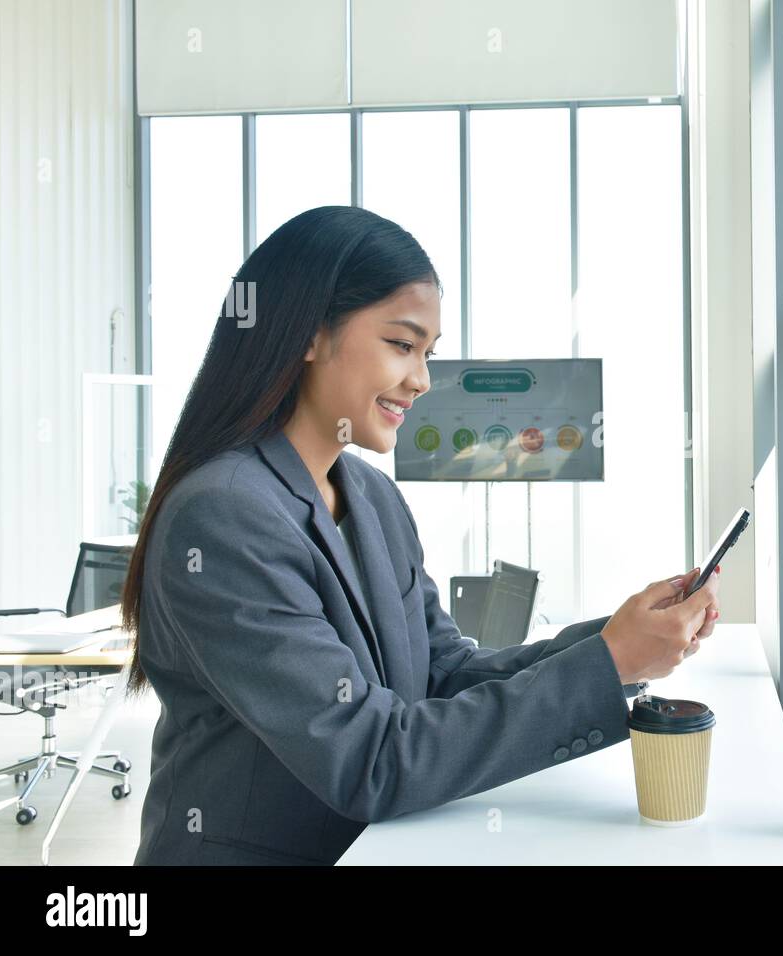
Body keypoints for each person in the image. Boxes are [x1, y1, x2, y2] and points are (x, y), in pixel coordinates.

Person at [119, 205, 720, 865]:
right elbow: (368, 758)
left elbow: (443, 674)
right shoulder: (225, 514)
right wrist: (612, 663)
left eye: (427, 353)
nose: (423, 380)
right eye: (401, 345)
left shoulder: (372, 497)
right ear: (309, 335)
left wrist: (615, 644)